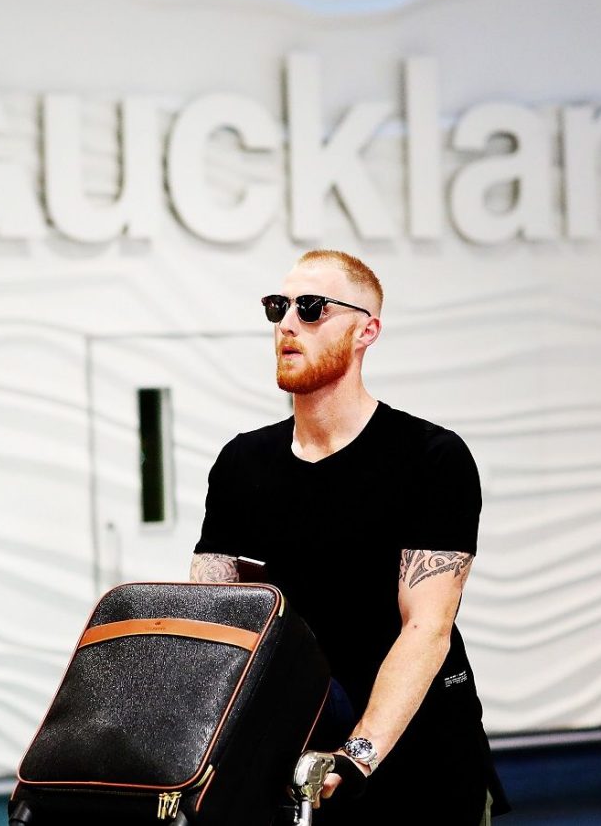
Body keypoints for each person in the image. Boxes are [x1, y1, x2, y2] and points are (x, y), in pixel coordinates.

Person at [189, 249, 509, 825]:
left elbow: (426, 627)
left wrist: (357, 758)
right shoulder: (242, 463)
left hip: (417, 758)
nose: (288, 323)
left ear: (367, 331)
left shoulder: (431, 459)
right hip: (290, 753)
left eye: (311, 308)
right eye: (277, 307)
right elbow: (212, 621)